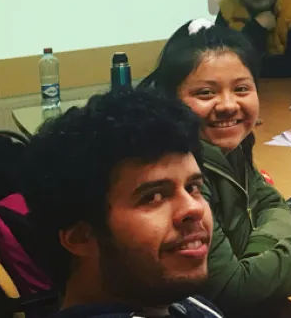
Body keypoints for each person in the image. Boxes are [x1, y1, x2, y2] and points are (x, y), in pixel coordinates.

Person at [143, 20, 291, 313]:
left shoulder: (229, 144)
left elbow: (271, 202)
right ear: (170, 100)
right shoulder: (183, 175)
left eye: (241, 89)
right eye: (206, 93)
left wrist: (257, 256)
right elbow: (232, 290)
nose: (228, 105)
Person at [18, 86, 225, 317]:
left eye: (193, 188)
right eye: (154, 197)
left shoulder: (184, 304)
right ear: (81, 237)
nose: (194, 208)